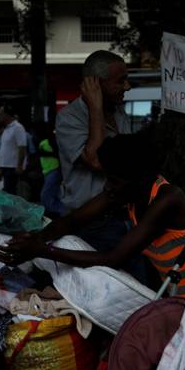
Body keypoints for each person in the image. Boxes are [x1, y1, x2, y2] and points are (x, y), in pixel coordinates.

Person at [0, 133, 185, 322]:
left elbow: (113, 257)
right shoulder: (125, 192)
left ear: (137, 180)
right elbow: (72, 221)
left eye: (114, 180)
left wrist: (42, 250)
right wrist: (34, 240)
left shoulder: (168, 200)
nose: (107, 187)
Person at [55, 50, 132, 252]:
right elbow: (98, 160)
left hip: (123, 215)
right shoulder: (69, 118)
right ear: (95, 84)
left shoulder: (119, 112)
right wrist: (95, 107)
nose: (127, 87)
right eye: (120, 81)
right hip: (91, 222)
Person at [34, 122, 65, 217]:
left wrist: (44, 153)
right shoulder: (44, 141)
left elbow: (58, 154)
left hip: (54, 170)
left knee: (45, 195)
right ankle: (58, 213)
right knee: (54, 195)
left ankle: (59, 212)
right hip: (48, 171)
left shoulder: (51, 140)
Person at [0, 104, 27, 195]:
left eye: (0, 114)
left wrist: (19, 166)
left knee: (10, 192)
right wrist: (0, 167)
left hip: (13, 167)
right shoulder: (6, 129)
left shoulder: (18, 128)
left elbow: (22, 147)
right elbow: (4, 149)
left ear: (7, 114)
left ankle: (13, 209)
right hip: (5, 166)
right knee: (6, 192)